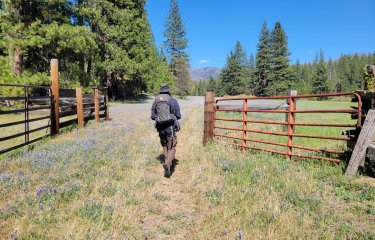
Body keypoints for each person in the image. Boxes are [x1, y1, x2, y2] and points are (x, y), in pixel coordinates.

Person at [151, 83, 181, 177]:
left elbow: (152, 116)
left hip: (160, 127)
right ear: (168, 90)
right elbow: (179, 115)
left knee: (164, 145)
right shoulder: (172, 100)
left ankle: (166, 161)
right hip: (170, 127)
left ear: (160, 90)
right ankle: (168, 163)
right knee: (172, 145)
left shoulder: (155, 101)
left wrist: (160, 118)